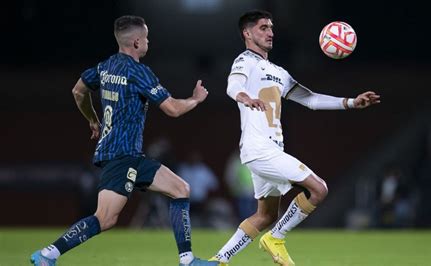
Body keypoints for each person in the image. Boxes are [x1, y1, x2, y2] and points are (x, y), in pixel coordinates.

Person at [30, 15, 217, 266]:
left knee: (180, 189)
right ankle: (48, 254)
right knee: (105, 219)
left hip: (128, 155)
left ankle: (187, 260)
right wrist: (195, 99)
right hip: (122, 156)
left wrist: (92, 119)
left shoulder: (105, 67)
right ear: (137, 42)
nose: (149, 42)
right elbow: (172, 109)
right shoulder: (138, 72)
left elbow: (78, 90)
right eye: (147, 38)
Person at [209, 10, 380, 266]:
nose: (270, 32)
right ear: (247, 33)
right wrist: (244, 97)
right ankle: (276, 238)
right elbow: (233, 85)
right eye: (263, 28)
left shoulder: (278, 72)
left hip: (270, 148)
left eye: (271, 27)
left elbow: (310, 99)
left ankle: (218, 260)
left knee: (265, 216)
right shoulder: (245, 61)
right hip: (260, 148)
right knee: (319, 189)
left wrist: (352, 102)